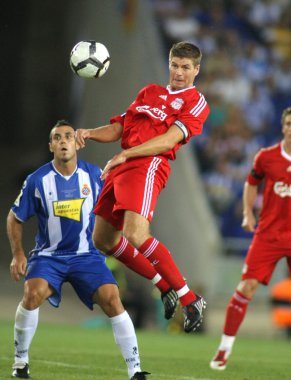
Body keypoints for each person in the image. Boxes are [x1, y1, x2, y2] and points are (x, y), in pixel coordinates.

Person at [76, 41, 210, 333]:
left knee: (135, 233)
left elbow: (168, 140)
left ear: (196, 70)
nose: (178, 72)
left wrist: (127, 153)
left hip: (147, 165)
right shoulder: (149, 92)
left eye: (186, 67)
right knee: (102, 239)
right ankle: (163, 284)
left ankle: (190, 299)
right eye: (175, 65)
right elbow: (121, 127)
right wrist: (89, 133)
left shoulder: (195, 100)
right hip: (121, 165)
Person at [7, 120, 150, 380]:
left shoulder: (95, 176)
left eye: (69, 137)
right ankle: (20, 363)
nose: (63, 141)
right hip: (49, 257)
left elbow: (116, 207)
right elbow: (14, 217)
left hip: (87, 256)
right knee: (32, 293)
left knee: (112, 299)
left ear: (77, 143)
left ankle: (135, 370)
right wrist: (18, 253)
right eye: (57, 138)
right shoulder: (37, 180)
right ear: (51, 145)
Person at [210, 106, 291, 370]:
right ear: (283, 126)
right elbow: (251, 182)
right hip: (268, 234)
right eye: (289, 123)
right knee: (246, 288)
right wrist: (247, 213)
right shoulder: (266, 157)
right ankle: (224, 348)